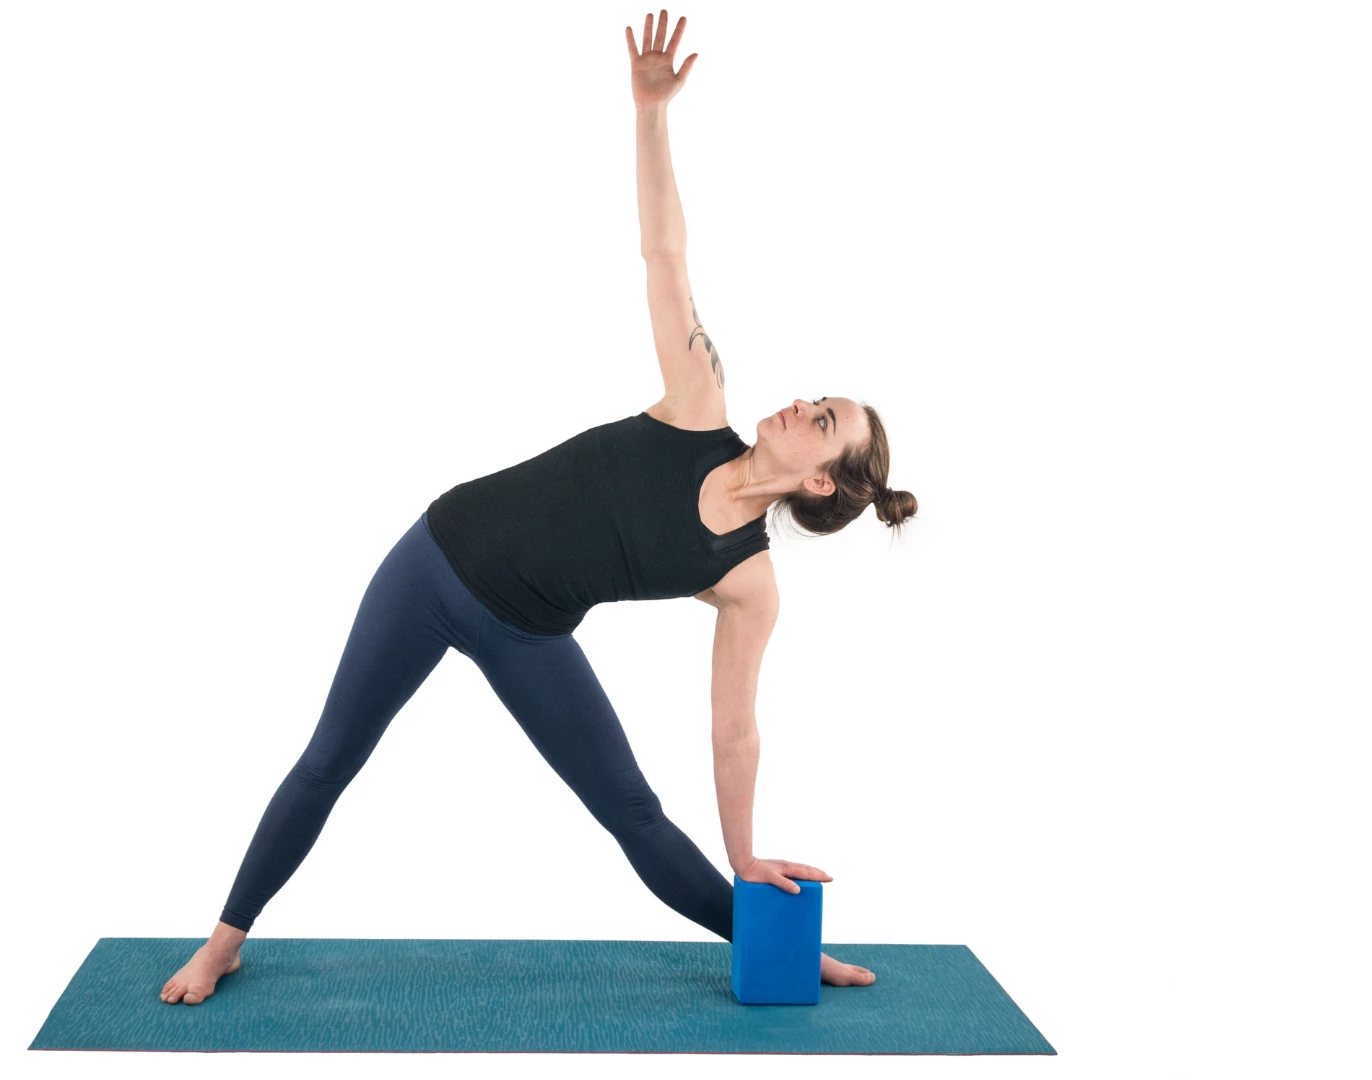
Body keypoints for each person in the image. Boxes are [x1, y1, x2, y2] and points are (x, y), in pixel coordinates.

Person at [162, 11, 916, 1005]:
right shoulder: (700, 402)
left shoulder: (747, 581)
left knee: (633, 814)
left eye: (822, 421)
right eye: (817, 400)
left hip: (527, 635)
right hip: (434, 562)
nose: (800, 405)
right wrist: (649, 117)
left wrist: (748, 864)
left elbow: (735, 731)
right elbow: (664, 255)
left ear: (822, 480)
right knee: (330, 759)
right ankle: (224, 940)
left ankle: (771, 944)